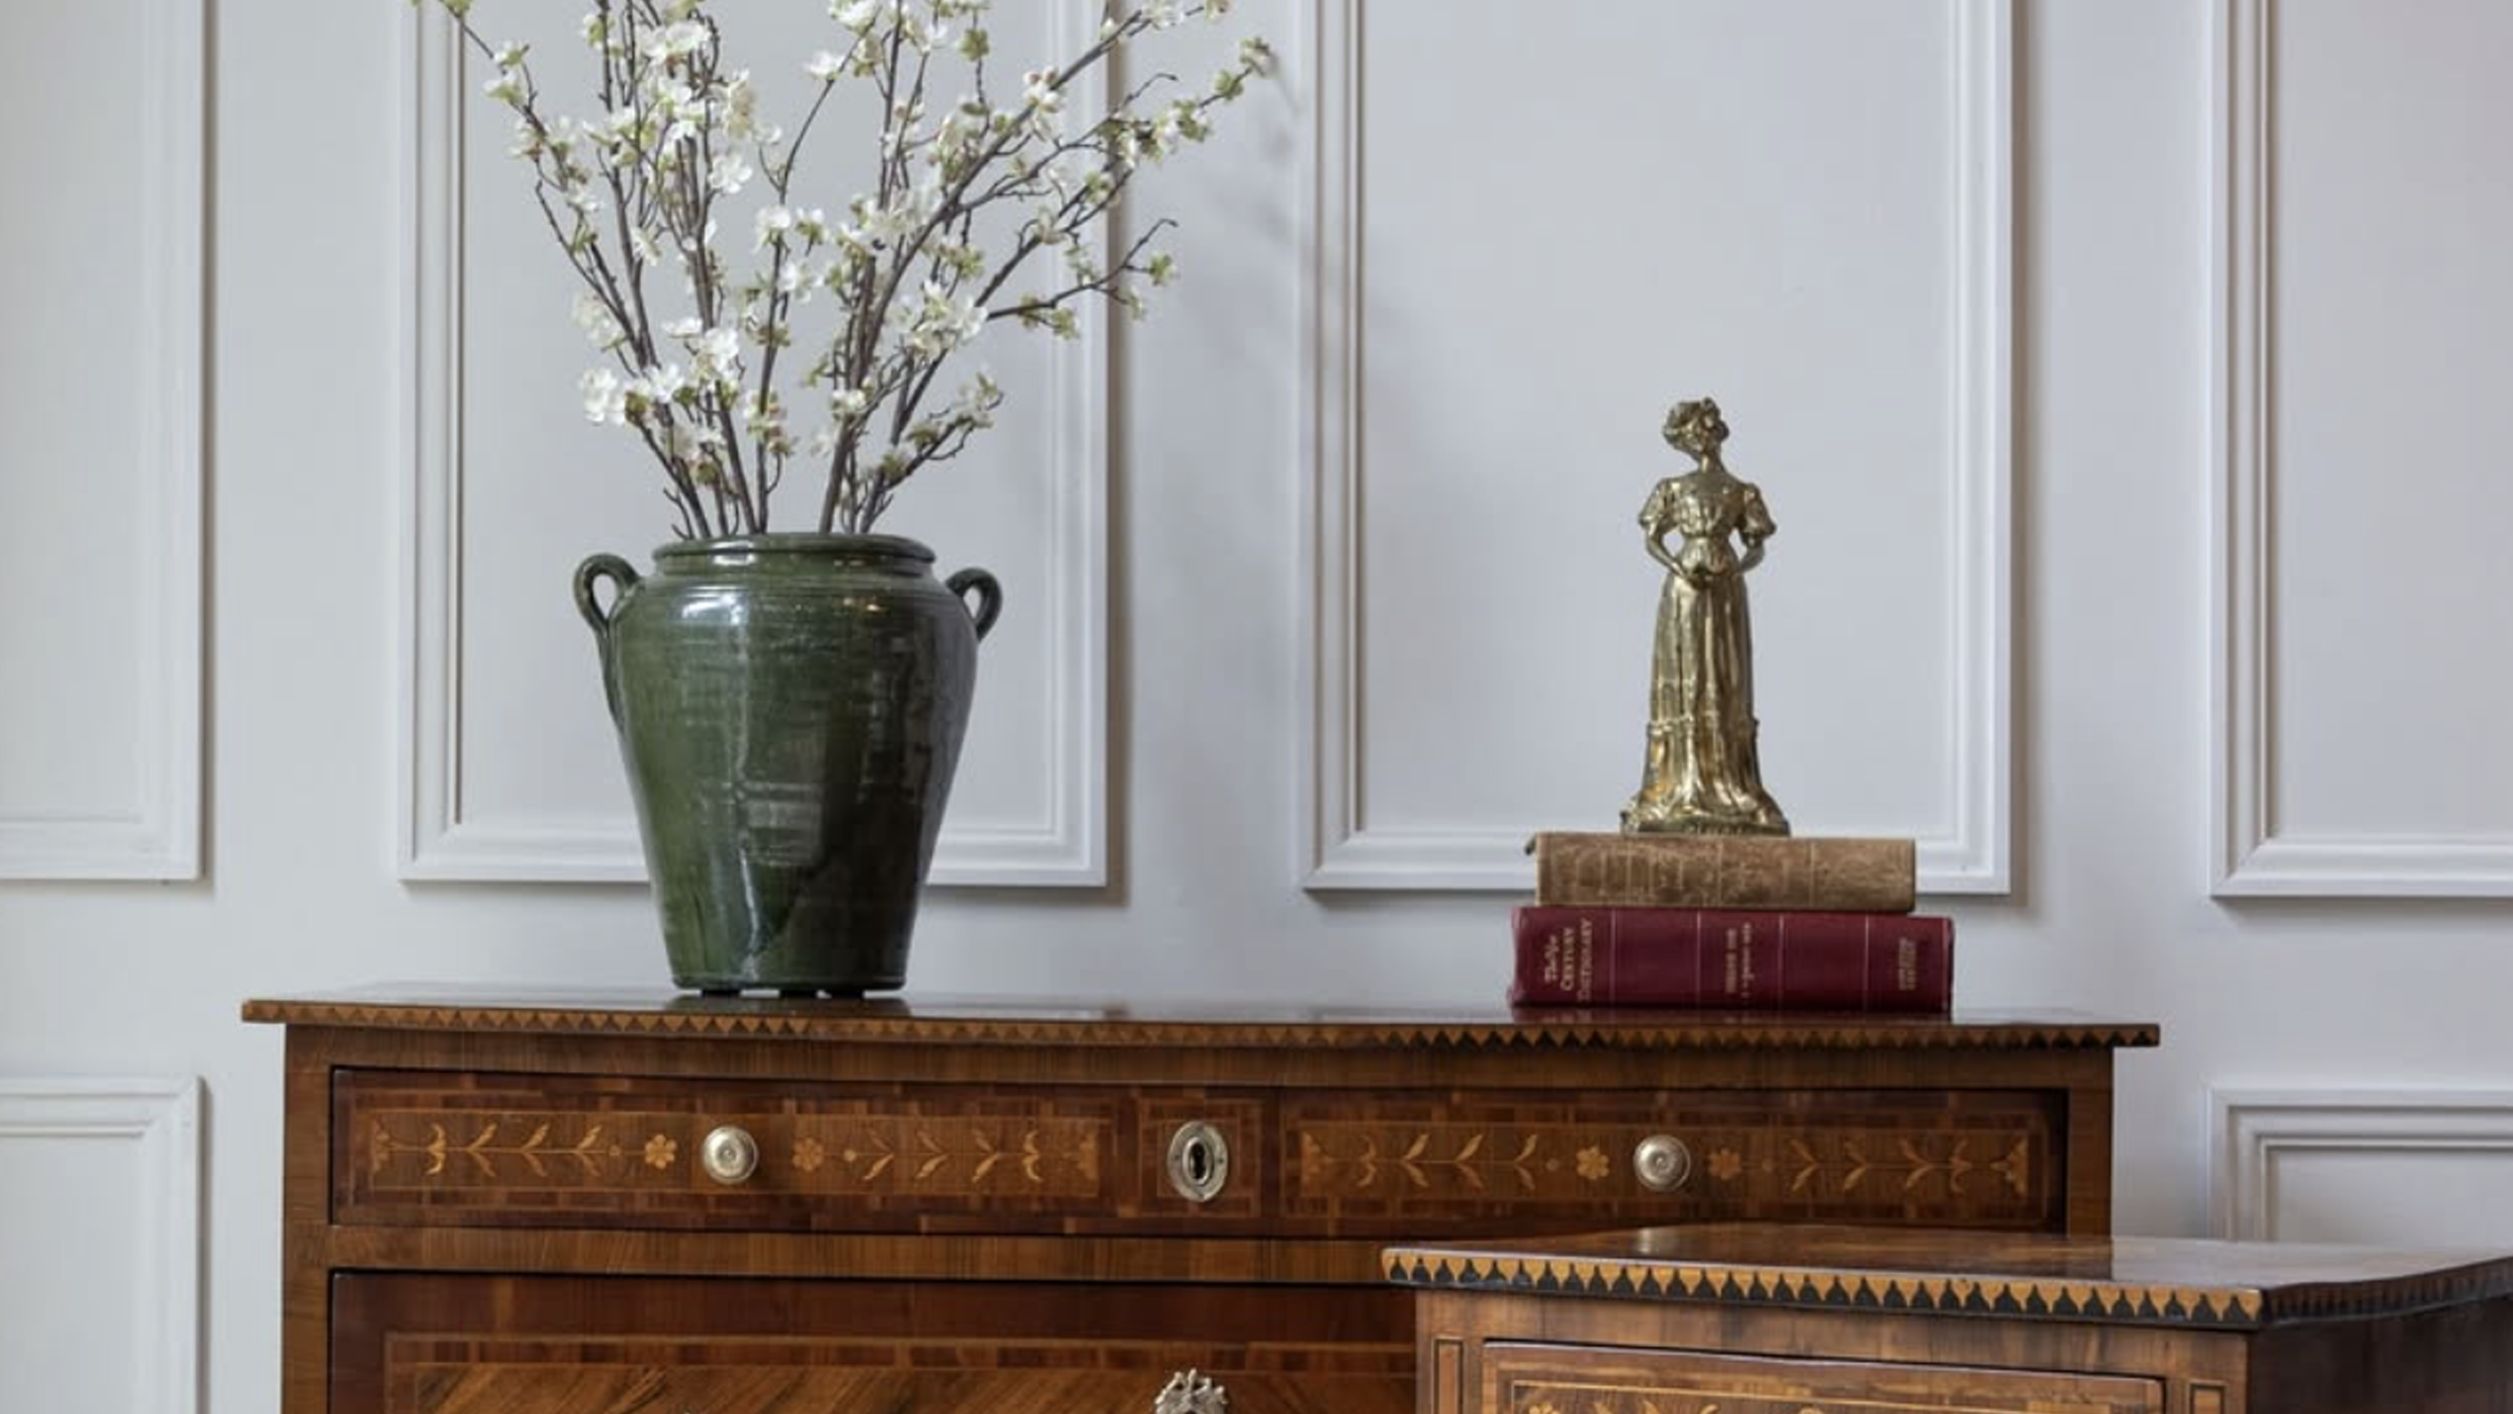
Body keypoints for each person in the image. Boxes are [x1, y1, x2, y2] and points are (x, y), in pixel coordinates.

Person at [1621, 397, 1790, 836]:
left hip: (1725, 588)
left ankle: (1732, 783)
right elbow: (1652, 538)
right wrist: (1679, 568)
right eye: (1696, 430)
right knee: (1689, 675)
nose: (1704, 436)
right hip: (1686, 590)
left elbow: (1757, 546)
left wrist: (1734, 569)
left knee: (1725, 675)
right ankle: (1677, 783)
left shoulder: (1741, 490)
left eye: (1708, 427)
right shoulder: (1673, 489)